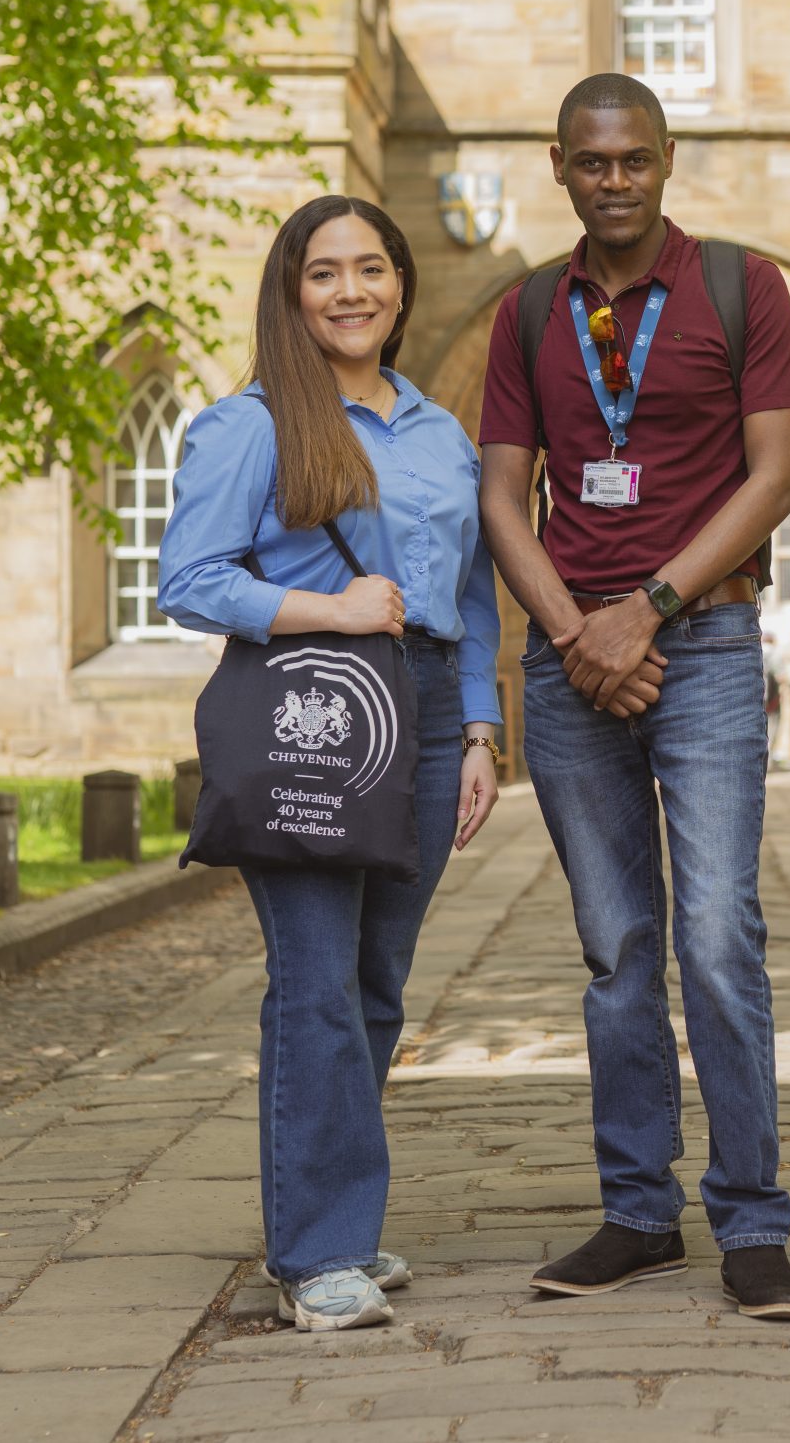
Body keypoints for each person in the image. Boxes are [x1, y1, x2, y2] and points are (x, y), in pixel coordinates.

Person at [476, 73, 790, 1321]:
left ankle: (752, 1223)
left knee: (718, 937)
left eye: (633, 159)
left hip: (709, 649)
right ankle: (636, 1213)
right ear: (557, 166)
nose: (613, 178)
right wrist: (577, 635)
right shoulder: (526, 312)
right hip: (575, 671)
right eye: (590, 161)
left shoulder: (742, 285)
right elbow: (502, 497)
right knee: (616, 948)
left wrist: (647, 612)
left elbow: (774, 476)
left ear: (666, 159)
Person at [159, 194, 504, 1332]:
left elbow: (462, 594)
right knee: (312, 985)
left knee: (374, 987)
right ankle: (316, 1254)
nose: (349, 291)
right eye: (323, 274)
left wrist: (476, 731)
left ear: (401, 285)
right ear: (290, 293)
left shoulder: (437, 431)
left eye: (370, 268)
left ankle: (336, 1221)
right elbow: (191, 580)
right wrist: (332, 607)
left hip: (419, 714)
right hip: (312, 708)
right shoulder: (249, 424)